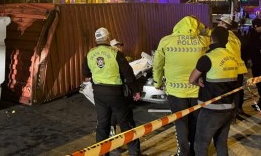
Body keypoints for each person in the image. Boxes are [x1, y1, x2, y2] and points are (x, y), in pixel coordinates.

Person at [153, 15, 210, 156]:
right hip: (197, 90)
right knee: (196, 123)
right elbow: (210, 33)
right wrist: (201, 27)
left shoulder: (166, 41)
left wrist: (157, 82)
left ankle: (183, 153)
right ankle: (196, 151)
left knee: (180, 123)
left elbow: (158, 64)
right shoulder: (203, 41)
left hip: (175, 92)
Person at [82, 27, 141, 156]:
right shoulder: (115, 52)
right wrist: (135, 90)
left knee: (103, 124)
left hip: (98, 93)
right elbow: (128, 74)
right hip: (115, 93)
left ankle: (102, 153)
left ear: (96, 39)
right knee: (126, 123)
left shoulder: (89, 53)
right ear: (108, 38)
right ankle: (134, 153)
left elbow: (86, 74)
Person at [189, 26, 240, 156]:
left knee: (200, 145)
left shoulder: (208, 58)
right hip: (228, 108)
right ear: (227, 41)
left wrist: (198, 81)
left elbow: (191, 79)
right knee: (221, 143)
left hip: (211, 109)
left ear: (211, 39)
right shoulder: (233, 58)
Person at [216, 15, 248, 117]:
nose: (218, 24)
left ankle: (232, 113)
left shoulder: (223, 35)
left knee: (229, 91)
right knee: (238, 90)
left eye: (219, 22)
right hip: (240, 67)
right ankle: (238, 110)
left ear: (224, 24)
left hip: (230, 68)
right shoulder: (234, 36)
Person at [246, 18, 261, 110]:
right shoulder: (252, 35)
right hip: (256, 64)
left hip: (258, 63)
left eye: (258, 26)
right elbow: (250, 48)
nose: (257, 28)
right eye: (256, 27)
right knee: (258, 83)